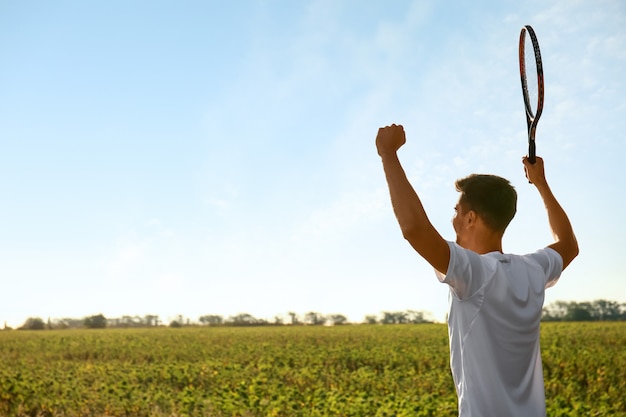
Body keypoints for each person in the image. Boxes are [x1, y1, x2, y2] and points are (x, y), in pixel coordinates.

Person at [376, 124, 578, 417]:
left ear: (471, 218)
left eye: (456, 212)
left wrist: (388, 154)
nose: (453, 220)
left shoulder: (475, 273)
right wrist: (541, 184)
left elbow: (415, 229)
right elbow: (568, 244)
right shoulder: (533, 270)